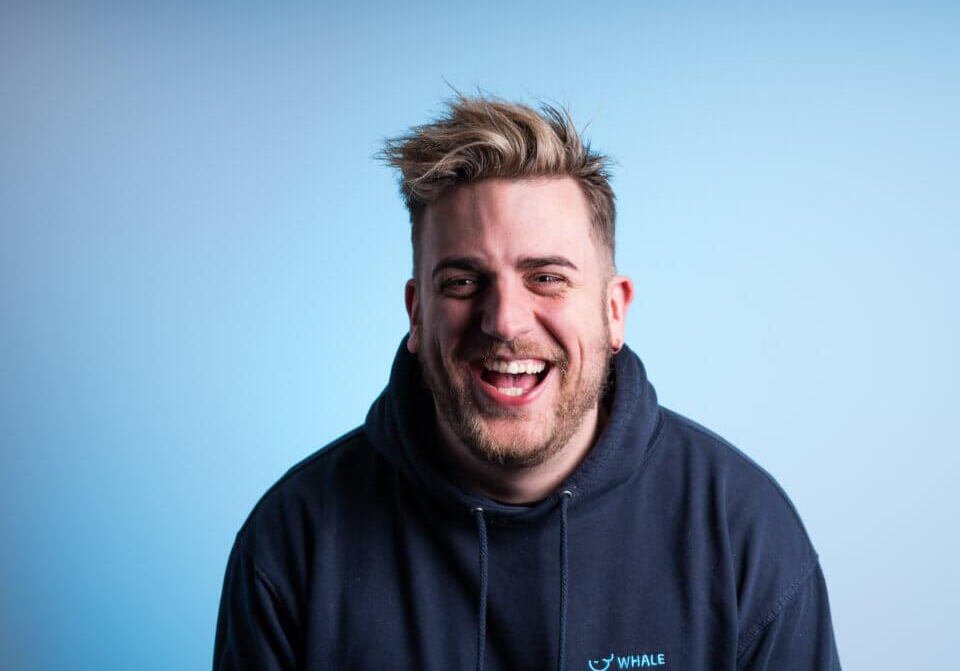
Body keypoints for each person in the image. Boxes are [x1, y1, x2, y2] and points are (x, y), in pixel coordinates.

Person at [214, 95, 841, 670]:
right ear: (417, 314)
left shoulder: (743, 534)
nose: (505, 321)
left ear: (613, 310)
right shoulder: (292, 543)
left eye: (546, 278)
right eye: (463, 282)